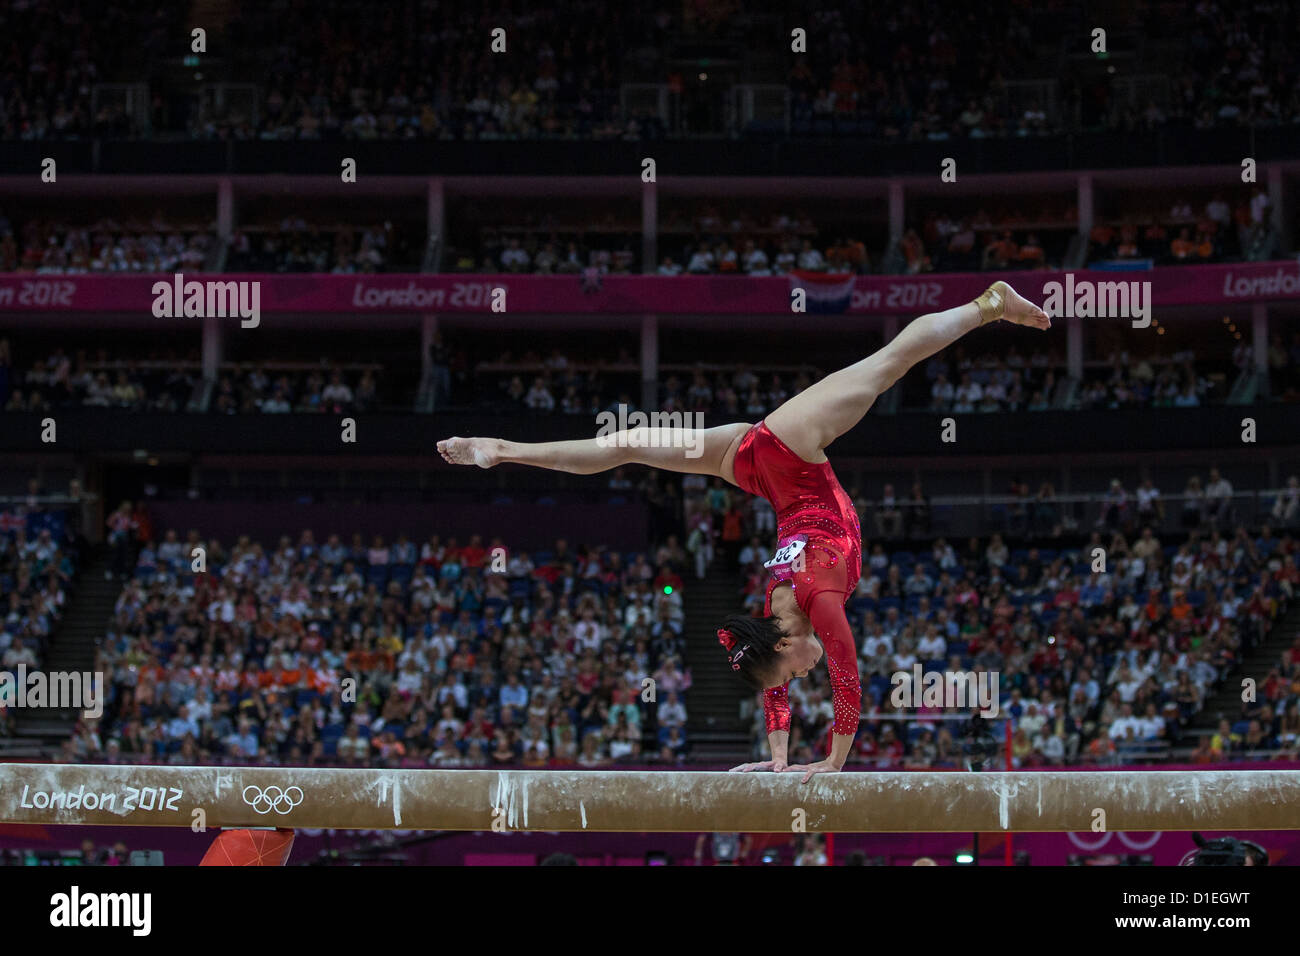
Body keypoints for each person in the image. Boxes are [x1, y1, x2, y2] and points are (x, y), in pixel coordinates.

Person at [439, 280, 1050, 779]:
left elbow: (845, 675)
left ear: (784, 644)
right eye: (789, 678)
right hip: (753, 465)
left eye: (792, 673)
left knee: (889, 362)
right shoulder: (777, 615)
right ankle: (504, 449)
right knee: (625, 444)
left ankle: (987, 304)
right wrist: (779, 761)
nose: (797, 678)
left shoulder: (815, 599)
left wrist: (834, 762)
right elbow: (772, 679)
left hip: (790, 448)